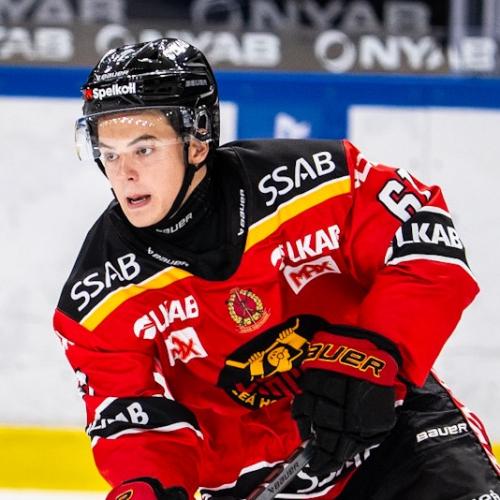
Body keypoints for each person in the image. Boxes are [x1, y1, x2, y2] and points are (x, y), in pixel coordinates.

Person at [53, 38, 500, 500]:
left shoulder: (312, 182)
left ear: (197, 139)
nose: (123, 173)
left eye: (144, 149)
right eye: (109, 152)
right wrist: (149, 485)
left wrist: (375, 351)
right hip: (256, 480)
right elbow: (130, 417)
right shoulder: (97, 296)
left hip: (392, 434)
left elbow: (422, 232)